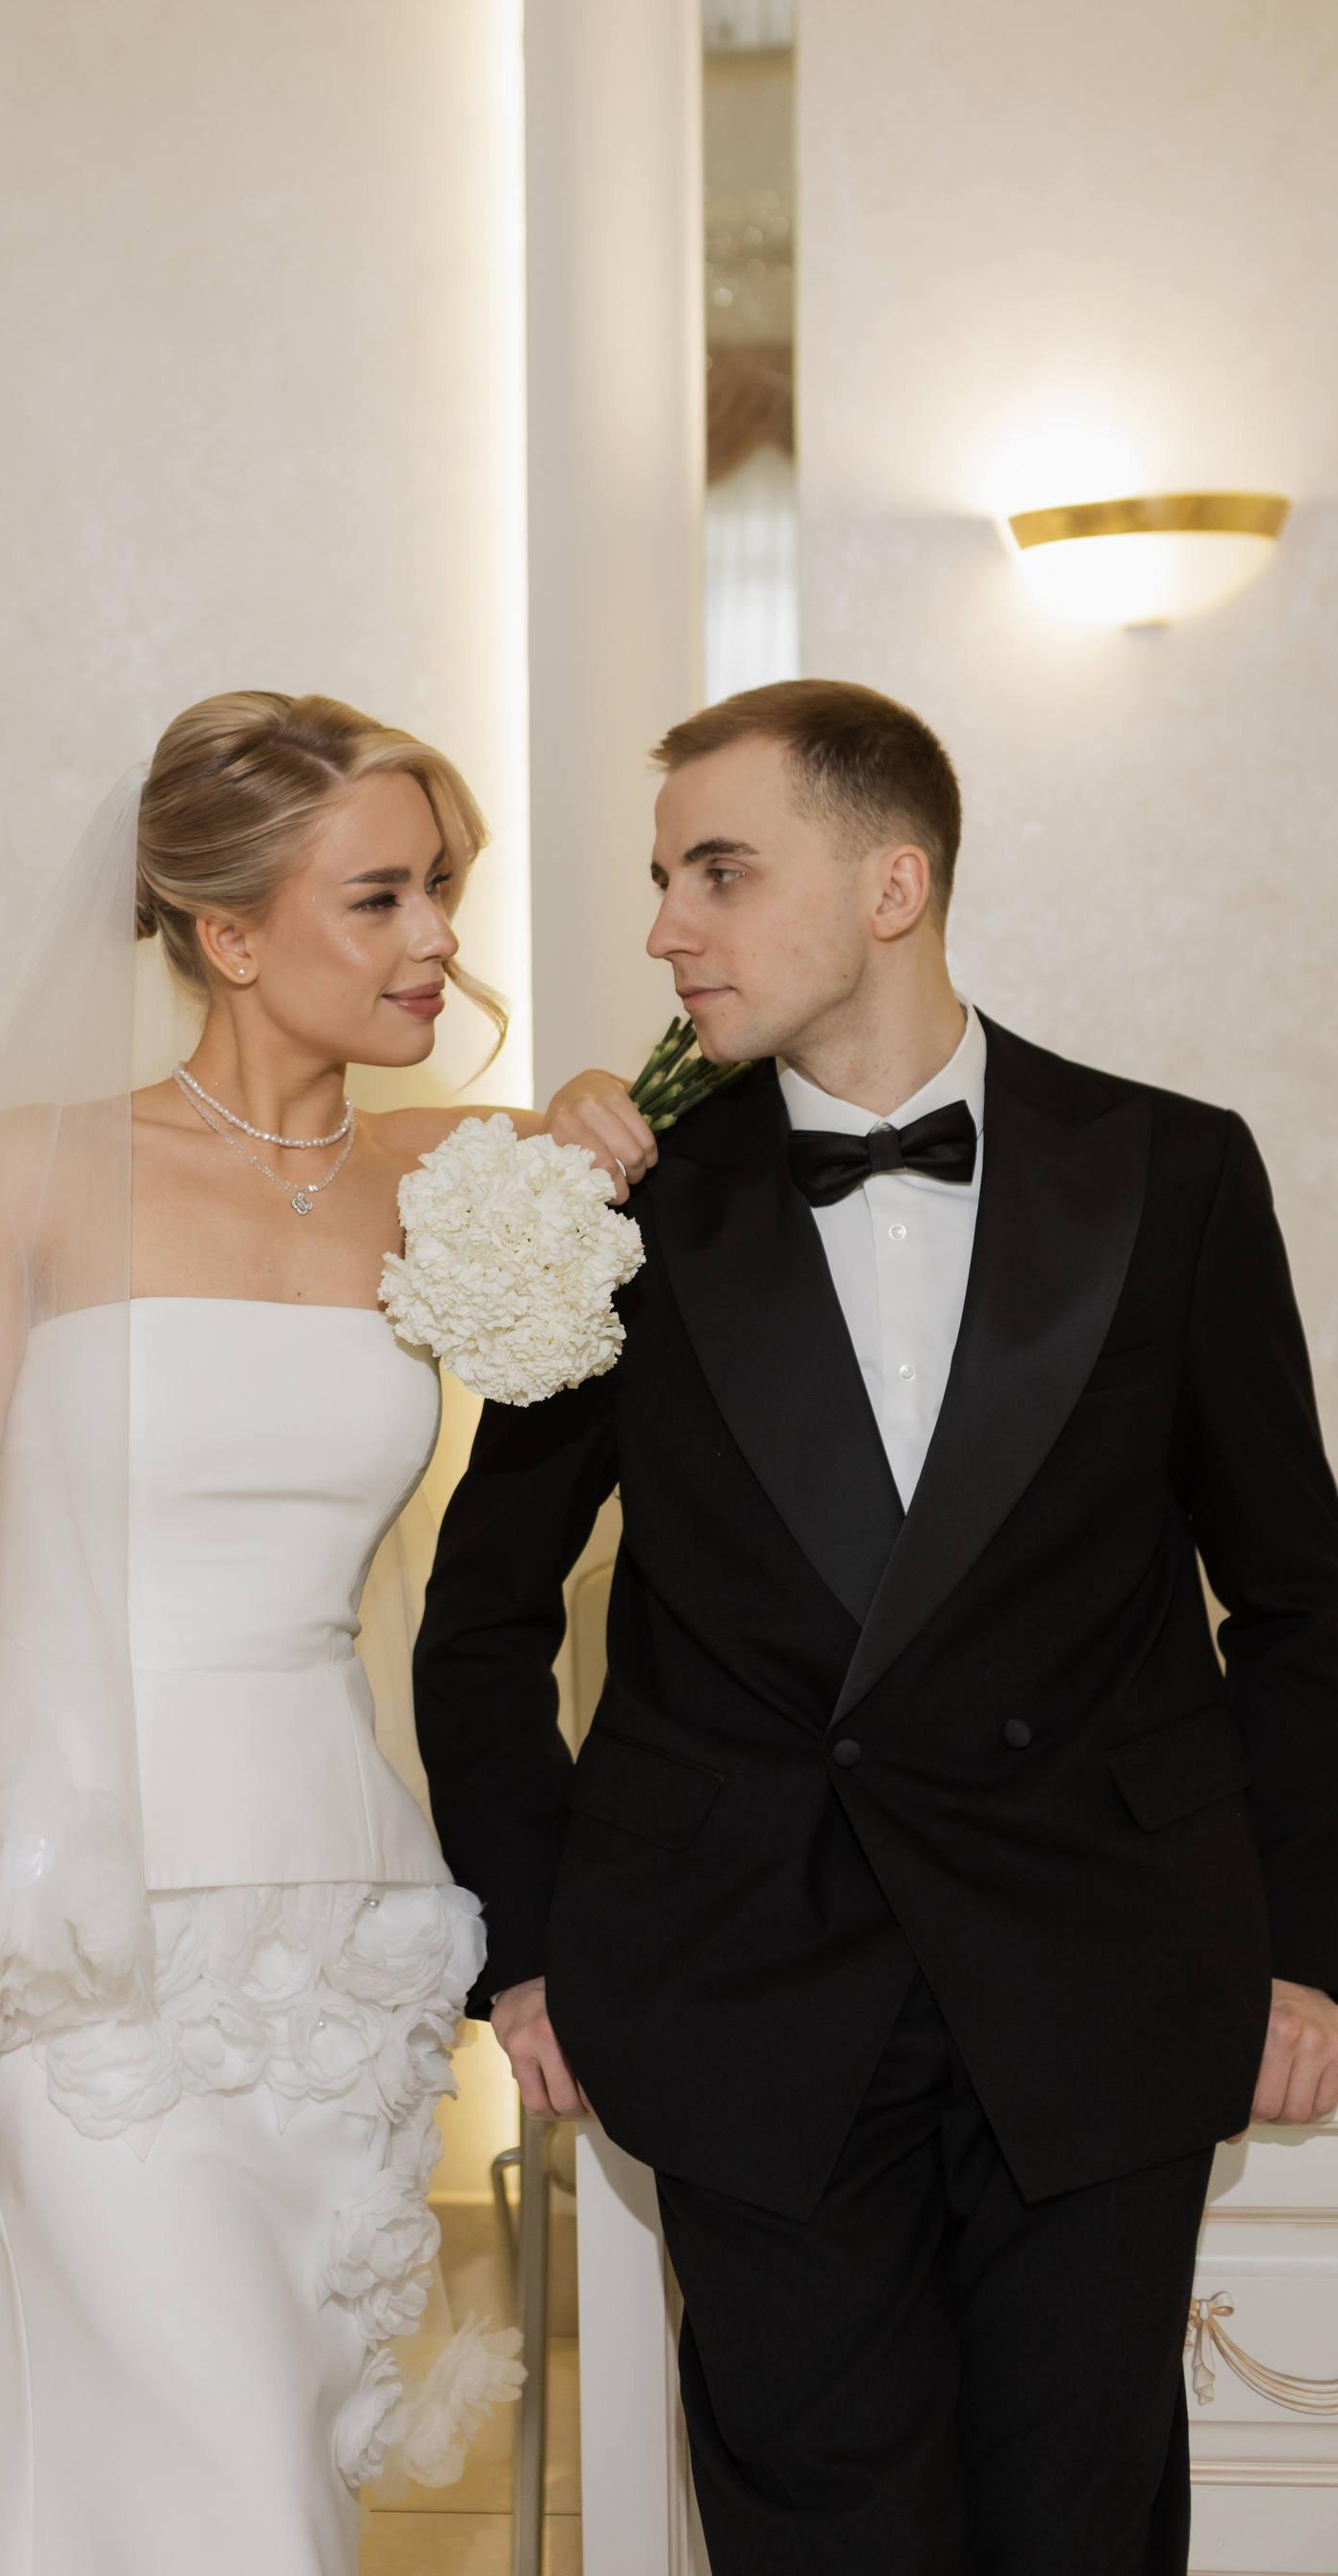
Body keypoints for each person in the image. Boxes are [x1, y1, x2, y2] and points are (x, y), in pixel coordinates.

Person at [0, 690, 644, 2576]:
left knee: (269, 2466)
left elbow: (664, 1181)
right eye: (381, 896)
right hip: (72, 1937)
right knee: (224, 2492)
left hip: (337, 1941)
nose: (439, 937)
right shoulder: (32, 1173)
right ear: (229, 935)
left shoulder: (465, 1180)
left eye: (443, 886)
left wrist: (595, 1112)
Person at [412, 677, 1338, 2576]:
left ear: (892, 885)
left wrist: (1307, 1951)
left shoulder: (1171, 1170)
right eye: (663, 878)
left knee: (1083, 2531)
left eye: (721, 872)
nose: (667, 928)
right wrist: (526, 1949)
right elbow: (482, 1610)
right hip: (744, 1995)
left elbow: (1301, 1599)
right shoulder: (619, 1212)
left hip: (1102, 1984)